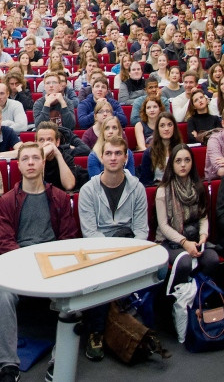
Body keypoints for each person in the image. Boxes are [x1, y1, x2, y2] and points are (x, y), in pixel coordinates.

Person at [0, 143, 80, 382]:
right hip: (20, 264)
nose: (30, 163)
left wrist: (49, 263)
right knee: (5, 295)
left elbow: (67, 239)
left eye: (35, 158)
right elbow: (4, 242)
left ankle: (59, 357)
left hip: (53, 264)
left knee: (74, 294)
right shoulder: (7, 202)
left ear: (43, 163)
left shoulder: (60, 198)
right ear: (19, 165)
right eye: (26, 159)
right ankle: (9, 365)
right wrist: (28, 263)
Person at [76, 136, 150, 362]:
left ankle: (136, 327)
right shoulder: (88, 190)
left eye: (118, 153)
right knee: (101, 275)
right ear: (101, 157)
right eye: (109, 153)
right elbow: (90, 232)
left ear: (126, 157)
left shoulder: (137, 188)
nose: (113, 157)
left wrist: (130, 254)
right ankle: (96, 332)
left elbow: (141, 230)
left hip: (130, 245)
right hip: (99, 248)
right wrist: (113, 255)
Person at [154, 144, 219, 286]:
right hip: (170, 241)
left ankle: (199, 296)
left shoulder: (198, 186)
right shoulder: (163, 191)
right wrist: (184, 242)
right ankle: (177, 300)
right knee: (184, 262)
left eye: (187, 160)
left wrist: (203, 236)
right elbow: (163, 226)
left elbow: (203, 216)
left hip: (194, 237)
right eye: (178, 161)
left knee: (212, 259)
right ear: (172, 164)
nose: (183, 165)